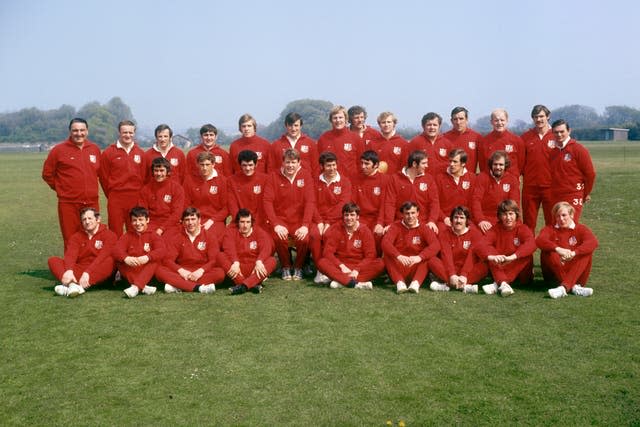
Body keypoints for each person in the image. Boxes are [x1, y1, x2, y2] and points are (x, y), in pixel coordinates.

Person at [42, 118, 101, 250]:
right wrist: (61, 189)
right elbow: (47, 174)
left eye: (82, 130)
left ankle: (90, 267)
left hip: (91, 202)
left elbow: (98, 173)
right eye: (75, 130)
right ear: (70, 131)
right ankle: (71, 267)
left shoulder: (94, 149)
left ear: (87, 131)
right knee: (71, 237)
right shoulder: (58, 150)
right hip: (69, 203)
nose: (79, 133)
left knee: (92, 234)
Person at [263, 148, 316, 281]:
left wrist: (305, 225)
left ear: (299, 163)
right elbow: (267, 202)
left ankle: (298, 266)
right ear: (283, 162)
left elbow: (310, 201)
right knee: (278, 236)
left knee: (304, 238)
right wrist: (275, 224)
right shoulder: (274, 176)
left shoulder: (306, 175)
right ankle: (286, 266)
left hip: (299, 220)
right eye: (287, 162)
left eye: (293, 162)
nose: (290, 165)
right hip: (281, 220)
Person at [48, 207, 117, 297]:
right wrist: (69, 270)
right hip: (80, 270)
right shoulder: (76, 237)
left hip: (97, 270)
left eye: (90, 218)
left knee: (110, 261)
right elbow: (70, 255)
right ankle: (73, 286)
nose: (87, 222)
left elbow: (103, 256)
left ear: (98, 219)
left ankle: (71, 287)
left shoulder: (109, 235)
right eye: (84, 219)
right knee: (53, 261)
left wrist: (87, 272)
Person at [315, 202, 385, 289]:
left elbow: (370, 255)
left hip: (359, 266)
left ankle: (341, 281)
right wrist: (342, 266)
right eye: (346, 215)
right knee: (322, 262)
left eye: (352, 215)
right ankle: (356, 284)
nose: (349, 218)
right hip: (341, 266)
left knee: (381, 263)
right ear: (343, 216)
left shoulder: (365, 230)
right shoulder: (336, 229)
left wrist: (357, 270)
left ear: (358, 217)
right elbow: (328, 253)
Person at [536, 201, 598, 299]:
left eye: (564, 215)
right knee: (548, 251)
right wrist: (558, 249)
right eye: (558, 216)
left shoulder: (581, 229)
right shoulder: (550, 229)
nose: (561, 219)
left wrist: (574, 253)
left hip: (577, 277)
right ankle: (572, 288)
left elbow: (593, 242)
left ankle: (564, 287)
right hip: (554, 278)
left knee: (586, 253)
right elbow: (539, 240)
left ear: (572, 215)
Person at [475, 199, 536, 297]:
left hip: (521, 274)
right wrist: (493, 257)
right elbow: (480, 245)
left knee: (526, 255)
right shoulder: (495, 229)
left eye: (511, 214)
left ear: (516, 214)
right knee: (491, 252)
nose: (508, 218)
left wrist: (513, 257)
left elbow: (532, 244)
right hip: (501, 266)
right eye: (504, 214)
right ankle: (503, 284)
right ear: (499, 216)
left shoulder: (522, 228)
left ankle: (498, 283)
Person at [155, 207, 222, 294]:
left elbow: (214, 260)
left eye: (193, 219)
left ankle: (178, 285)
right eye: (187, 220)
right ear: (183, 222)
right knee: (159, 271)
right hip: (183, 271)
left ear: (199, 220)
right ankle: (199, 288)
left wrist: (201, 271)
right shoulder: (177, 238)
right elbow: (168, 260)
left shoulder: (210, 237)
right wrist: (181, 271)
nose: (190, 223)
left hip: (201, 271)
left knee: (220, 273)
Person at [99, 120, 146, 236]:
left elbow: (144, 176)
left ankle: (134, 253)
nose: (128, 135)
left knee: (135, 229)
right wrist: (112, 194)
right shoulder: (108, 153)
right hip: (116, 197)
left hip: (135, 197)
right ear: (119, 132)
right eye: (125, 132)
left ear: (134, 133)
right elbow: (103, 177)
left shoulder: (140, 153)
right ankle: (116, 254)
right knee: (115, 230)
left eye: (130, 132)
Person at [382, 201, 440, 294]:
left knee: (427, 257)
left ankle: (416, 283)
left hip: (415, 266)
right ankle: (399, 283)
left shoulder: (424, 227)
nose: (410, 216)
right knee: (387, 256)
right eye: (407, 213)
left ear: (418, 213)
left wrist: (419, 257)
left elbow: (436, 245)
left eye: (413, 213)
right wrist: (398, 256)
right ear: (402, 214)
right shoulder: (395, 226)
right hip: (400, 265)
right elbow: (385, 243)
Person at [310, 151, 352, 277]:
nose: (332, 168)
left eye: (334, 165)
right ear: (322, 167)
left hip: (336, 220)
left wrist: (327, 222)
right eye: (328, 166)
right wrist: (319, 222)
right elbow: (311, 203)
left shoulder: (345, 182)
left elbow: (342, 205)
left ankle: (329, 268)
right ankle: (319, 269)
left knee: (329, 235)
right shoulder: (314, 181)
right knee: (314, 235)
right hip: (316, 219)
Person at [428, 206, 488, 293]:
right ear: (451, 219)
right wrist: (452, 274)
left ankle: (446, 285)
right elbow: (446, 255)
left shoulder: (475, 234)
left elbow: (472, 257)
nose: (458, 221)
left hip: (468, 271)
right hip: (449, 270)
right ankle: (465, 287)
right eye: (456, 217)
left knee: (484, 266)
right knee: (432, 260)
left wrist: (464, 274)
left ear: (467, 220)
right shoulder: (445, 234)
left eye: (462, 218)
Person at [112, 206, 167, 298]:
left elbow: (162, 250)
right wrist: (126, 258)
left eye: (141, 220)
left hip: (148, 272)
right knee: (119, 261)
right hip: (133, 269)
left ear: (147, 220)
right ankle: (142, 287)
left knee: (155, 261)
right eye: (134, 220)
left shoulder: (153, 235)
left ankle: (136, 287)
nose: (137, 223)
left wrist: (147, 257)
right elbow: (116, 250)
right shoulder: (127, 235)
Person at [549, 119, 596, 222]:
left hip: (573, 195)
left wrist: (585, 193)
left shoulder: (578, 149)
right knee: (557, 228)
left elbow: (590, 174)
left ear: (569, 131)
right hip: (556, 196)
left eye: (562, 131)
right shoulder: (553, 153)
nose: (559, 134)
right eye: (556, 132)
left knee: (570, 226)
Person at [221, 209, 277, 295]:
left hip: (254, 268)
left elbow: (266, 247)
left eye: (248, 222)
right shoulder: (231, 232)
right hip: (238, 269)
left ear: (252, 222)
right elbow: (229, 248)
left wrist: (260, 260)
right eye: (242, 222)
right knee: (220, 256)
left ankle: (243, 286)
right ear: (237, 223)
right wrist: (235, 262)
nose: (245, 225)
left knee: (272, 261)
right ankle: (252, 284)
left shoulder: (258, 231)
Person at [385, 150, 440, 234]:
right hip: (401, 223)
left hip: (424, 223)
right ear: (414, 164)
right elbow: (390, 203)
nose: (427, 166)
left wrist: (432, 221)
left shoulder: (429, 179)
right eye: (424, 163)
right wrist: (389, 223)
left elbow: (434, 203)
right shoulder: (395, 179)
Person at [521, 105, 556, 232]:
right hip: (530, 187)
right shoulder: (525, 137)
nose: (539, 119)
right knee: (528, 224)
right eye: (536, 117)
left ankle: (551, 251)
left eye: (541, 116)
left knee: (552, 222)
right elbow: (519, 162)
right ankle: (527, 252)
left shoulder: (556, 135)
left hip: (551, 186)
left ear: (548, 116)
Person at [471, 151, 521, 234]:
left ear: (506, 165)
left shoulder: (512, 179)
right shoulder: (482, 177)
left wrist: (507, 221)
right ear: (491, 165)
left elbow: (514, 204)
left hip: (505, 218)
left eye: (501, 165)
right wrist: (480, 220)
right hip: (486, 219)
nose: (498, 167)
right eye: (495, 164)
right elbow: (476, 200)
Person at [183, 152, 230, 238]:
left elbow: (226, 207)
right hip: (194, 219)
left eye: (207, 164)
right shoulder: (189, 180)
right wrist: (194, 220)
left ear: (213, 164)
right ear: (197, 165)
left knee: (213, 238)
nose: (204, 168)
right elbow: (186, 204)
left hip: (215, 220)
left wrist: (212, 220)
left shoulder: (222, 181)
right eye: (202, 164)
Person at [138, 157, 185, 237]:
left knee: (168, 242)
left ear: (168, 172)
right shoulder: (146, 189)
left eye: (162, 170)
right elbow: (143, 213)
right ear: (152, 172)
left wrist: (162, 228)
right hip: (151, 224)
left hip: (171, 225)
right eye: (156, 170)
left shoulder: (177, 188)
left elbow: (177, 213)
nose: (159, 174)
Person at [351, 150, 390, 249]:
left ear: (376, 165)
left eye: (367, 164)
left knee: (377, 235)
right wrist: (354, 220)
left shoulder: (385, 180)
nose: (363, 166)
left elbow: (384, 205)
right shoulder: (356, 179)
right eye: (362, 163)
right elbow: (352, 202)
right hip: (360, 217)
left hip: (376, 218)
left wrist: (380, 223)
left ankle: (374, 259)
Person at [317, 105, 364, 180]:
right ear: (331, 120)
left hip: (351, 182)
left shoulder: (355, 138)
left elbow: (361, 163)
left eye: (340, 117)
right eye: (335, 118)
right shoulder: (323, 138)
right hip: (329, 182)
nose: (338, 120)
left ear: (346, 119)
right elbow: (318, 163)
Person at [268, 112, 319, 177]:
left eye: (296, 125)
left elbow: (316, 168)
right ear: (286, 126)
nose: (293, 129)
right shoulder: (276, 145)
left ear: (301, 126)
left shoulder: (311, 143)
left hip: (305, 183)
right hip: (282, 183)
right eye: (290, 125)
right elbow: (271, 169)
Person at [227, 150, 270, 227]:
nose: (247, 168)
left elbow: (266, 204)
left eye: (250, 165)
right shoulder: (231, 181)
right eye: (244, 165)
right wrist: (242, 222)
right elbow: (232, 205)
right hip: (240, 222)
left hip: (260, 222)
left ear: (256, 164)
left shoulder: (265, 180)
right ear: (240, 165)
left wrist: (254, 224)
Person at [478, 109, 525, 178]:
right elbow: (482, 166)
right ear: (491, 122)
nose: (499, 123)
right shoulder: (484, 141)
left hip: (511, 183)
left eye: (502, 120)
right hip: (490, 182)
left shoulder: (517, 141)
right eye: (496, 120)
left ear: (507, 121)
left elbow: (521, 165)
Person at [435, 148, 476, 227]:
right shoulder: (439, 178)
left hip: (465, 220)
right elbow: (435, 203)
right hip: (445, 220)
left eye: (455, 162)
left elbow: (473, 203)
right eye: (450, 161)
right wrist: (444, 218)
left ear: (463, 163)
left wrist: (466, 220)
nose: (451, 164)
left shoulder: (472, 178)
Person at [444, 107, 482, 173]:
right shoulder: (444, 137)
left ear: (466, 119)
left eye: (461, 119)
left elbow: (482, 162)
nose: (458, 122)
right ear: (451, 121)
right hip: (449, 180)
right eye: (455, 119)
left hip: (470, 180)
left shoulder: (476, 137)